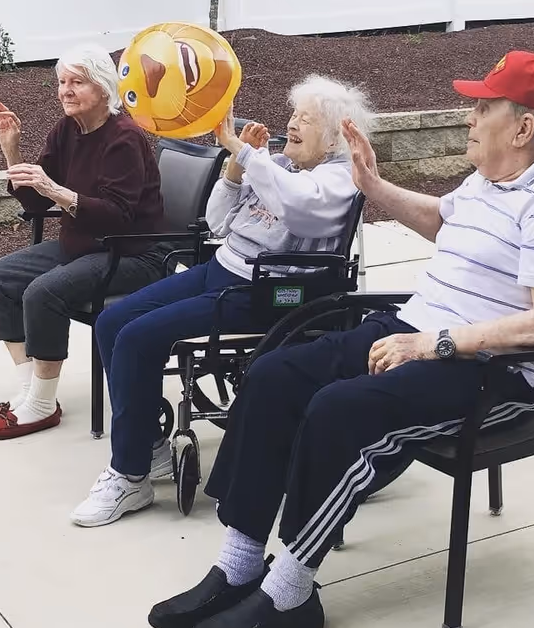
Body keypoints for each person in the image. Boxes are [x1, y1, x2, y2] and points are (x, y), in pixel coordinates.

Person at [148, 51, 534, 628]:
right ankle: (239, 563)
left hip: (491, 371)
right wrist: (373, 186)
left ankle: (291, 593)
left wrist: (437, 344)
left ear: (523, 129)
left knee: (340, 411)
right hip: (415, 332)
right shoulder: (488, 181)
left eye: (483, 107)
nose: (468, 116)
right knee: (277, 373)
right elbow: (445, 223)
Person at [69, 75, 370, 527]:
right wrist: (234, 169)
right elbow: (216, 222)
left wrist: (246, 152)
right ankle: (147, 448)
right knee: (113, 323)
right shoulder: (281, 166)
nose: (292, 125)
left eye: (305, 119)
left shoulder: (337, 180)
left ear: (332, 136)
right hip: (222, 269)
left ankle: (129, 476)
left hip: (272, 292)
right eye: (293, 114)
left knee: (136, 339)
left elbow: (298, 211)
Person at [0, 42, 166, 440]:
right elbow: (33, 199)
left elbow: (118, 216)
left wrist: (58, 192)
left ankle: (43, 405)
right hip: (82, 246)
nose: (65, 90)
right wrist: (11, 152)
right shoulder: (66, 130)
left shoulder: (125, 139)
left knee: (43, 292)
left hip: (132, 253)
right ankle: (31, 390)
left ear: (102, 87)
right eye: (62, 82)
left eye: (76, 82)